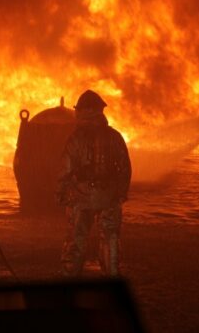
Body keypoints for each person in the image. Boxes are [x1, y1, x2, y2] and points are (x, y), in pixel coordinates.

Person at [57, 90, 131, 276]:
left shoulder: (75, 138)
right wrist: (121, 193)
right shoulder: (114, 136)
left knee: (77, 238)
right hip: (109, 196)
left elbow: (65, 169)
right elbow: (125, 168)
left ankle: (70, 277)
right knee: (110, 238)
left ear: (82, 111)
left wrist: (61, 194)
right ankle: (112, 275)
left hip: (81, 197)